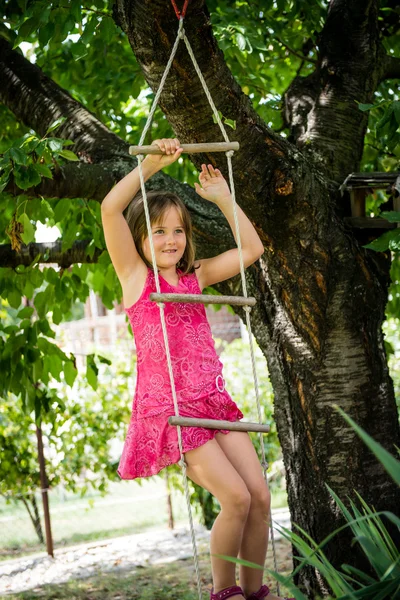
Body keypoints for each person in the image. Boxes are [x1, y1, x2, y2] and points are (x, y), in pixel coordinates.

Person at [101, 138, 293, 600]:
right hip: (172, 409)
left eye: (178, 231)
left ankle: (253, 593)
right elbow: (110, 209)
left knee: (262, 499)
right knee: (237, 498)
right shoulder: (135, 278)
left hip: (212, 401)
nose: (170, 241)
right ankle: (223, 593)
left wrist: (224, 200)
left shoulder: (196, 276)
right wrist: (150, 166)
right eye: (158, 231)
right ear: (141, 238)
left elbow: (251, 249)